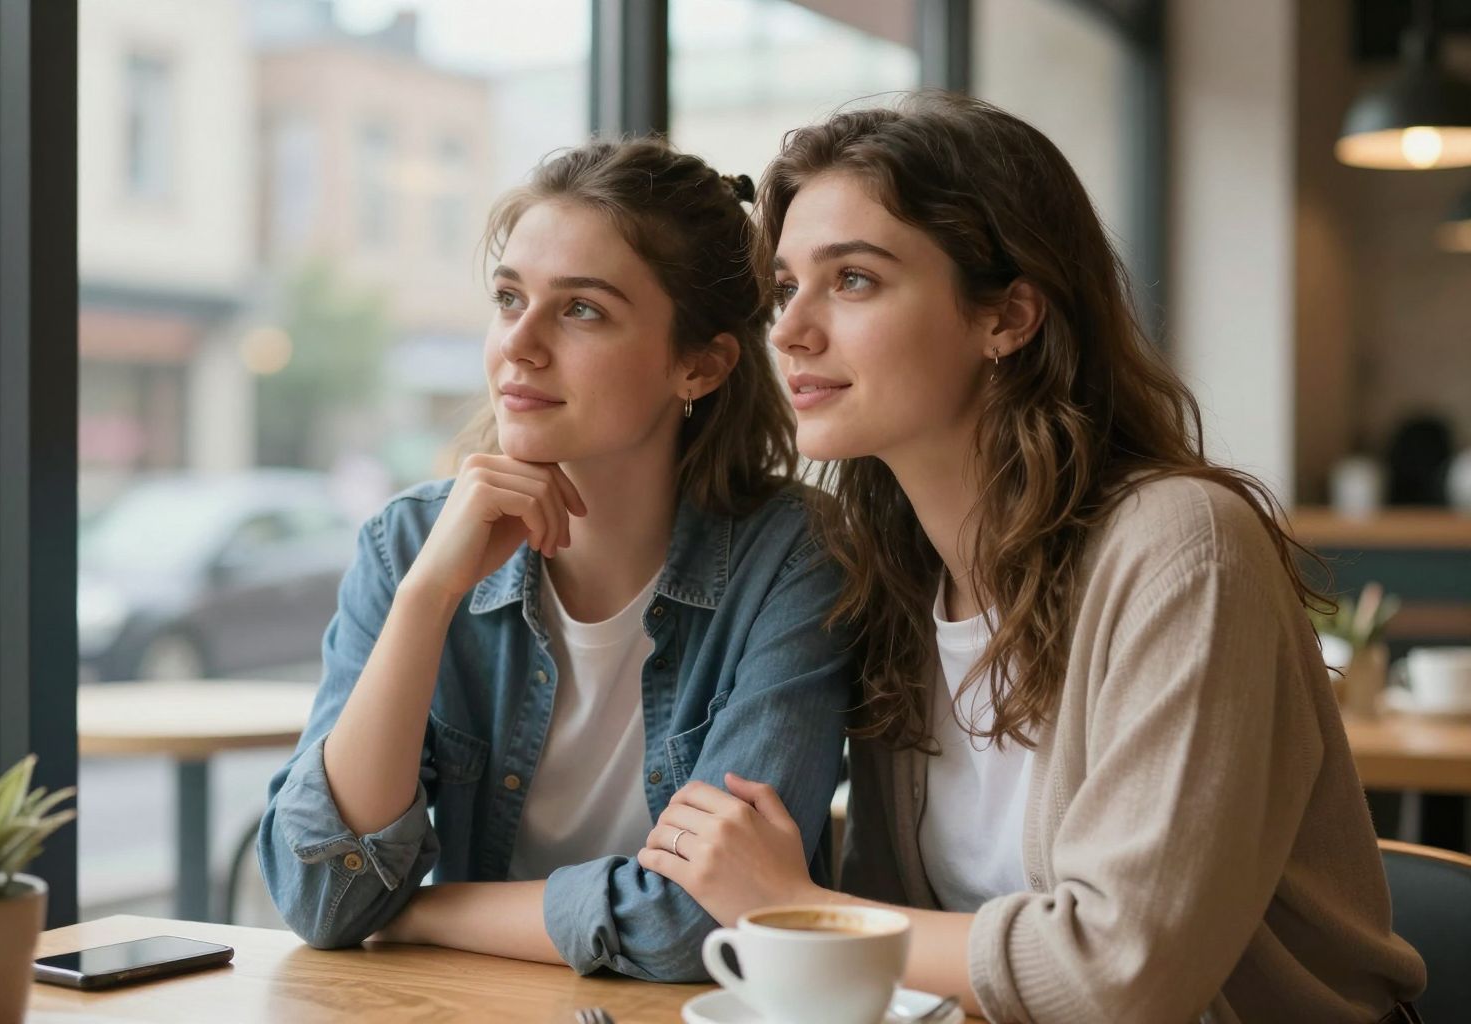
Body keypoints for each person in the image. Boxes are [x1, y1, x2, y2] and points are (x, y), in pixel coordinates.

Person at [637, 94, 1427, 1021]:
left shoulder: (1183, 553)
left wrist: (798, 909)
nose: (792, 330)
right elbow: (907, 943)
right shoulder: (895, 577)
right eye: (785, 288)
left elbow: (1121, 975)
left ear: (1007, 316)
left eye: (852, 280)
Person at [257, 137, 854, 982]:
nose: (520, 346)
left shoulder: (793, 560)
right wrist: (428, 596)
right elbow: (322, 898)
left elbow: (702, 923)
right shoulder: (407, 547)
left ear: (701, 364)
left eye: (582, 310)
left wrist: (418, 911)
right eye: (509, 298)